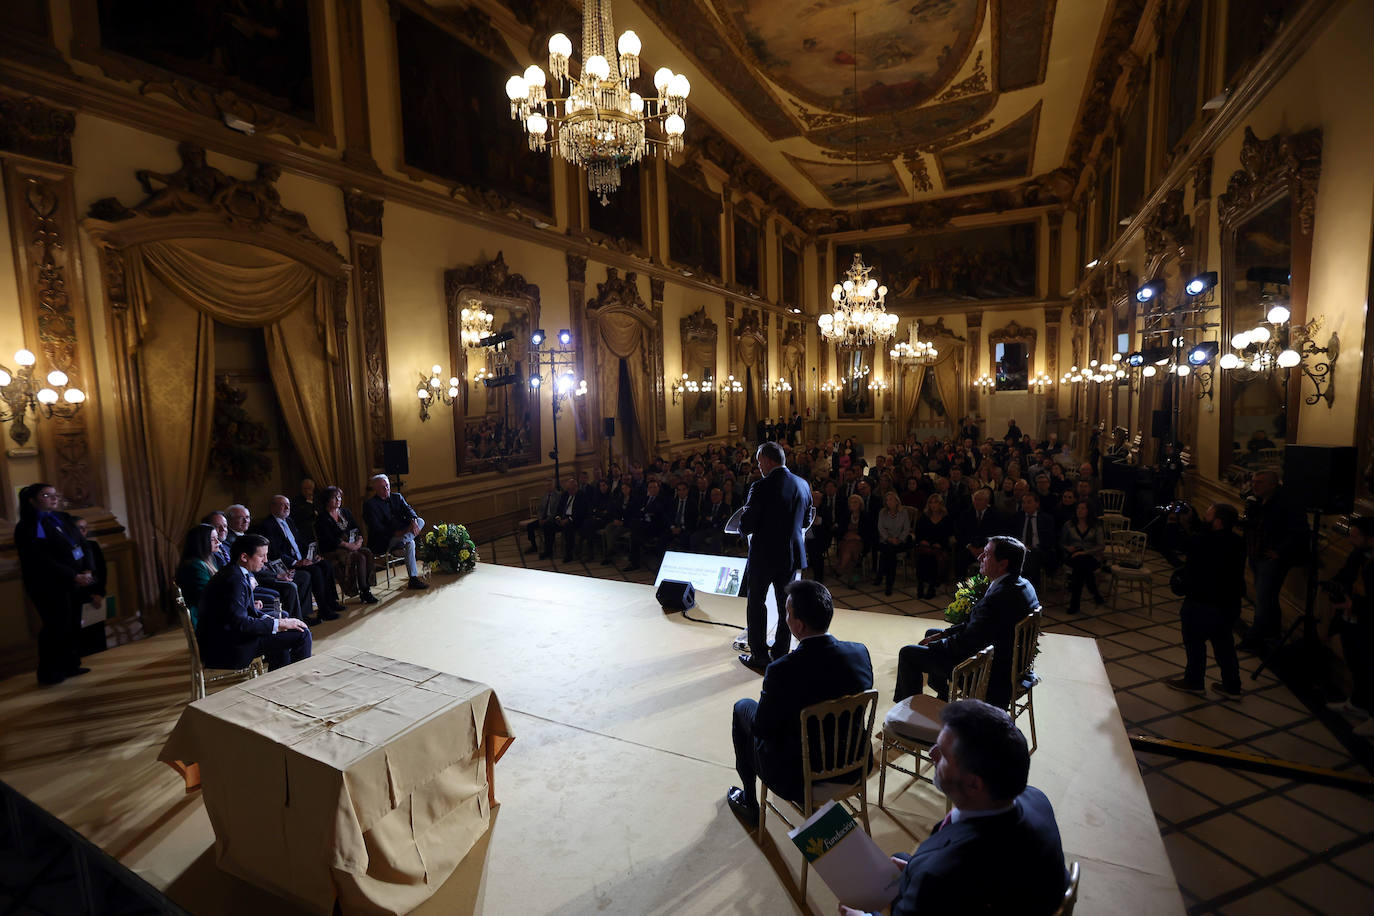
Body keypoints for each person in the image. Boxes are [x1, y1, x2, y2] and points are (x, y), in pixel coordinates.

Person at [839, 700, 1067, 916]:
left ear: (973, 783)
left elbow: (948, 874)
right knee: (900, 860)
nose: (932, 754)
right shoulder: (1036, 798)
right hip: (1000, 894)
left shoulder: (937, 875)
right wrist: (915, 869)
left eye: (944, 754)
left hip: (959, 894)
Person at [726, 580, 873, 826]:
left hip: (798, 777)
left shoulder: (783, 670)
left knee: (743, 707)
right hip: (853, 765)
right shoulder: (859, 653)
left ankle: (750, 802)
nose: (785, 619)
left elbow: (762, 728)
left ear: (798, 624)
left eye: (787, 613)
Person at [894, 536, 1039, 710]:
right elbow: (977, 625)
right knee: (931, 633)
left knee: (908, 654)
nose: (979, 558)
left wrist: (936, 645)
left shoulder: (1000, 597)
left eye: (986, 555)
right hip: (1002, 656)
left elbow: (967, 642)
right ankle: (943, 699)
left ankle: (908, 716)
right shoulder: (1022, 585)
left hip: (987, 671)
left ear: (1003, 564)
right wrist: (943, 635)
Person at [737, 441, 813, 672]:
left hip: (763, 557)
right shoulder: (803, 484)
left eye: (760, 462)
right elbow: (807, 520)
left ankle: (759, 655)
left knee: (756, 603)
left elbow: (747, 524)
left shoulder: (760, 487)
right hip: (790, 556)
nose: (759, 467)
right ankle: (781, 652)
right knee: (786, 606)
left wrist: (741, 527)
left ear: (769, 461)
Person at [15, 483, 96, 685]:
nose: (53, 498)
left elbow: (83, 544)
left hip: (76, 580)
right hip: (48, 585)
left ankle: (70, 664)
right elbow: (41, 559)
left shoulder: (63, 518)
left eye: (54, 495)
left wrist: (87, 569)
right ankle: (50, 672)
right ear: (32, 500)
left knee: (73, 623)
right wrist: (72, 575)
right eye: (46, 495)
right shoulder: (26, 527)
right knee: (55, 625)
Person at [1165, 503, 1248, 698]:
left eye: (1208, 517)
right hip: (1228, 603)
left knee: (1194, 643)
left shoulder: (1202, 540)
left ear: (1217, 522)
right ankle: (1232, 686)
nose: (1204, 519)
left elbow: (1176, 544)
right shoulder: (1237, 542)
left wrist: (1172, 521)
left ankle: (1194, 682)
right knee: (1224, 645)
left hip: (1201, 602)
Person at [196, 534, 312, 671]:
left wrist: (272, 620)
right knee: (302, 633)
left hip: (227, 639)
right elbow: (240, 623)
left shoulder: (234, 572)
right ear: (244, 557)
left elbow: (242, 613)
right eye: (262, 556)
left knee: (281, 632)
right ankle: (299, 679)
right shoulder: (234, 580)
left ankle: (282, 678)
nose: (266, 560)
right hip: (229, 648)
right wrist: (279, 623)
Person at [1239, 470, 1308, 651]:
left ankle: (1254, 639)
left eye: (1260, 482)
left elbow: (1299, 531)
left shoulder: (1287, 503)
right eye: (1254, 482)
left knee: (1263, 599)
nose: (1255, 485)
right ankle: (1273, 633)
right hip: (1256, 554)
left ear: (1273, 484)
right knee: (1268, 598)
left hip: (1272, 559)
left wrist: (1280, 551)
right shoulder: (1256, 499)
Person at [254, 494, 342, 621]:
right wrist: (296, 562)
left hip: (301, 560)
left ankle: (331, 602)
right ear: (272, 508)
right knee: (315, 571)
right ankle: (323, 610)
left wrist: (312, 556)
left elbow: (300, 542)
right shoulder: (267, 525)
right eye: (283, 505)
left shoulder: (289, 521)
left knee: (325, 565)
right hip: (286, 564)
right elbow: (274, 552)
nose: (287, 508)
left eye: (288, 505)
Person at [1327, 517, 1374, 736]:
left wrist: (1354, 604)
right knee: (1355, 661)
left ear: (1371, 539)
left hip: (1367, 620)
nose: (1350, 540)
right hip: (1350, 618)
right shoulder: (1357, 554)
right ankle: (1358, 703)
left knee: (1370, 666)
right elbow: (1346, 574)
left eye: (1355, 536)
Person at [363, 473, 429, 590]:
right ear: (376, 489)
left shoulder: (397, 497)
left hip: (403, 534)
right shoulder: (370, 504)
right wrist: (395, 533)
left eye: (387, 486)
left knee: (420, 521)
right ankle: (413, 579)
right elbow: (376, 528)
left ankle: (403, 544)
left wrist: (413, 521)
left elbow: (409, 510)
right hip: (386, 539)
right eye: (383, 487)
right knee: (412, 543)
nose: (386, 489)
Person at [315, 486, 378, 604]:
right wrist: (349, 546)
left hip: (351, 546)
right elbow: (330, 540)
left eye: (339, 497)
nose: (338, 499)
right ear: (327, 500)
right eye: (334, 497)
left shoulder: (345, 512)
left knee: (367, 552)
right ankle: (365, 591)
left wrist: (358, 542)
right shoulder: (322, 518)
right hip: (333, 550)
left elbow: (357, 529)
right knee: (360, 557)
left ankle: (367, 586)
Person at [1059, 501, 1105, 614]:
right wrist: (1067, 547)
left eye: (1083, 508)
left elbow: (1101, 546)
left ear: (1088, 511)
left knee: (1079, 569)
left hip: (1091, 555)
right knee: (1081, 565)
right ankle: (1094, 591)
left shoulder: (1096, 525)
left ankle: (1075, 604)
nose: (1080, 511)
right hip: (1073, 555)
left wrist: (1085, 552)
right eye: (1078, 508)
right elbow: (1061, 542)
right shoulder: (1069, 524)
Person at [175, 524, 221, 627]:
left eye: (217, 538)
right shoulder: (195, 565)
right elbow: (208, 596)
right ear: (201, 542)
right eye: (213, 539)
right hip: (206, 618)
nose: (218, 542)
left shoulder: (207, 560)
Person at [912, 493, 954, 600]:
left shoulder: (946, 518)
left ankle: (932, 586)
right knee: (922, 557)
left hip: (939, 546)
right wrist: (922, 541)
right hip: (925, 545)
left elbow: (948, 534)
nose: (933, 505)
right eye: (931, 503)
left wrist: (940, 544)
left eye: (936, 502)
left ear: (940, 504)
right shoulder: (924, 517)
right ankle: (920, 585)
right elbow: (918, 532)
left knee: (933, 559)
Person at [1013, 492, 1057, 591]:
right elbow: (1012, 536)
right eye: (1024, 502)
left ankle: (1028, 586)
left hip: (1040, 550)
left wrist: (1032, 547)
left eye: (1029, 502)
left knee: (1032, 555)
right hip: (1020, 549)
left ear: (1037, 504)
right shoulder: (1017, 517)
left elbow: (1050, 539)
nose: (1026, 505)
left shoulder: (1046, 519)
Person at [875, 490, 912, 597]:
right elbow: (880, 528)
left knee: (887, 553)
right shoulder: (882, 512)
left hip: (900, 541)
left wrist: (899, 539)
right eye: (887, 500)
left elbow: (906, 528)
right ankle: (889, 584)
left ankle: (881, 574)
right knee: (889, 553)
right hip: (886, 541)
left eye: (891, 499)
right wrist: (889, 539)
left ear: (896, 501)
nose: (888, 502)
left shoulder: (903, 512)